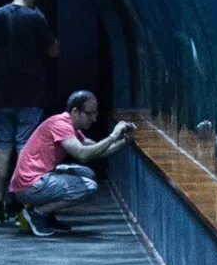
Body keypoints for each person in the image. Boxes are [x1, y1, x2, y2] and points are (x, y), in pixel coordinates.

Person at [0, 0, 57, 223]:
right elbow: (53, 51)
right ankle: (24, 204)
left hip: (1, 94)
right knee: (25, 149)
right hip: (30, 94)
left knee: (2, 148)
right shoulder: (37, 18)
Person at [9, 90, 134, 235]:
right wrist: (113, 136)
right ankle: (37, 213)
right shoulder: (60, 125)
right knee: (89, 187)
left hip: (36, 181)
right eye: (90, 113)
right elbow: (83, 155)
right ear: (75, 112)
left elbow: (97, 150)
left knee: (86, 173)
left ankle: (47, 215)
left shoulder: (70, 126)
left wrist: (124, 141)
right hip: (29, 186)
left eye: (95, 113)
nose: (94, 119)